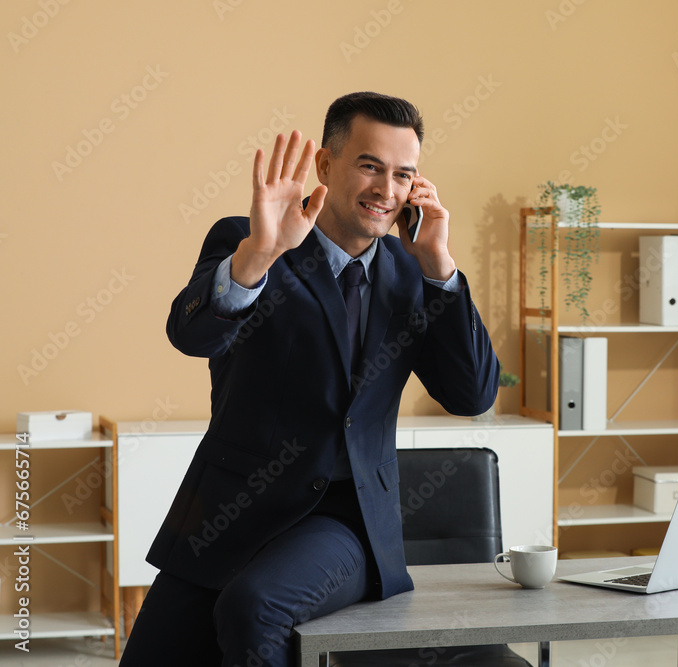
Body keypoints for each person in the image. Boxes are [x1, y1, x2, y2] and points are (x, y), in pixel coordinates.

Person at [119, 92, 500, 667]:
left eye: (404, 175)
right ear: (325, 166)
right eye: (370, 166)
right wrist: (259, 254)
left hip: (343, 524)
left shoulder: (412, 269)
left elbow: (472, 395)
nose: (386, 190)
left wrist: (441, 268)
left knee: (254, 608)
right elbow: (192, 336)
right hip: (226, 515)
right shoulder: (250, 239)